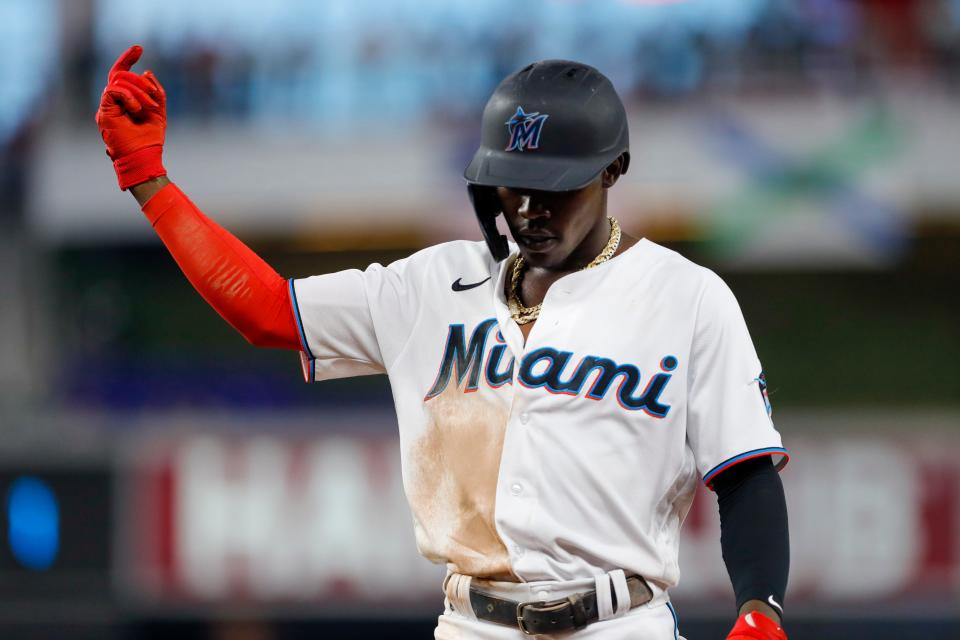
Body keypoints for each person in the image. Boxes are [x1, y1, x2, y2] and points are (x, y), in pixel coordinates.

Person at [96, 45, 791, 640]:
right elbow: (268, 311)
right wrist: (149, 181)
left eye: (555, 188)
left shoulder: (686, 298)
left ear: (613, 170)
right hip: (472, 623)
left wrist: (760, 609)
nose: (529, 208)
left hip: (620, 622)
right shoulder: (432, 285)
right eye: (514, 186)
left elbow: (746, 475)